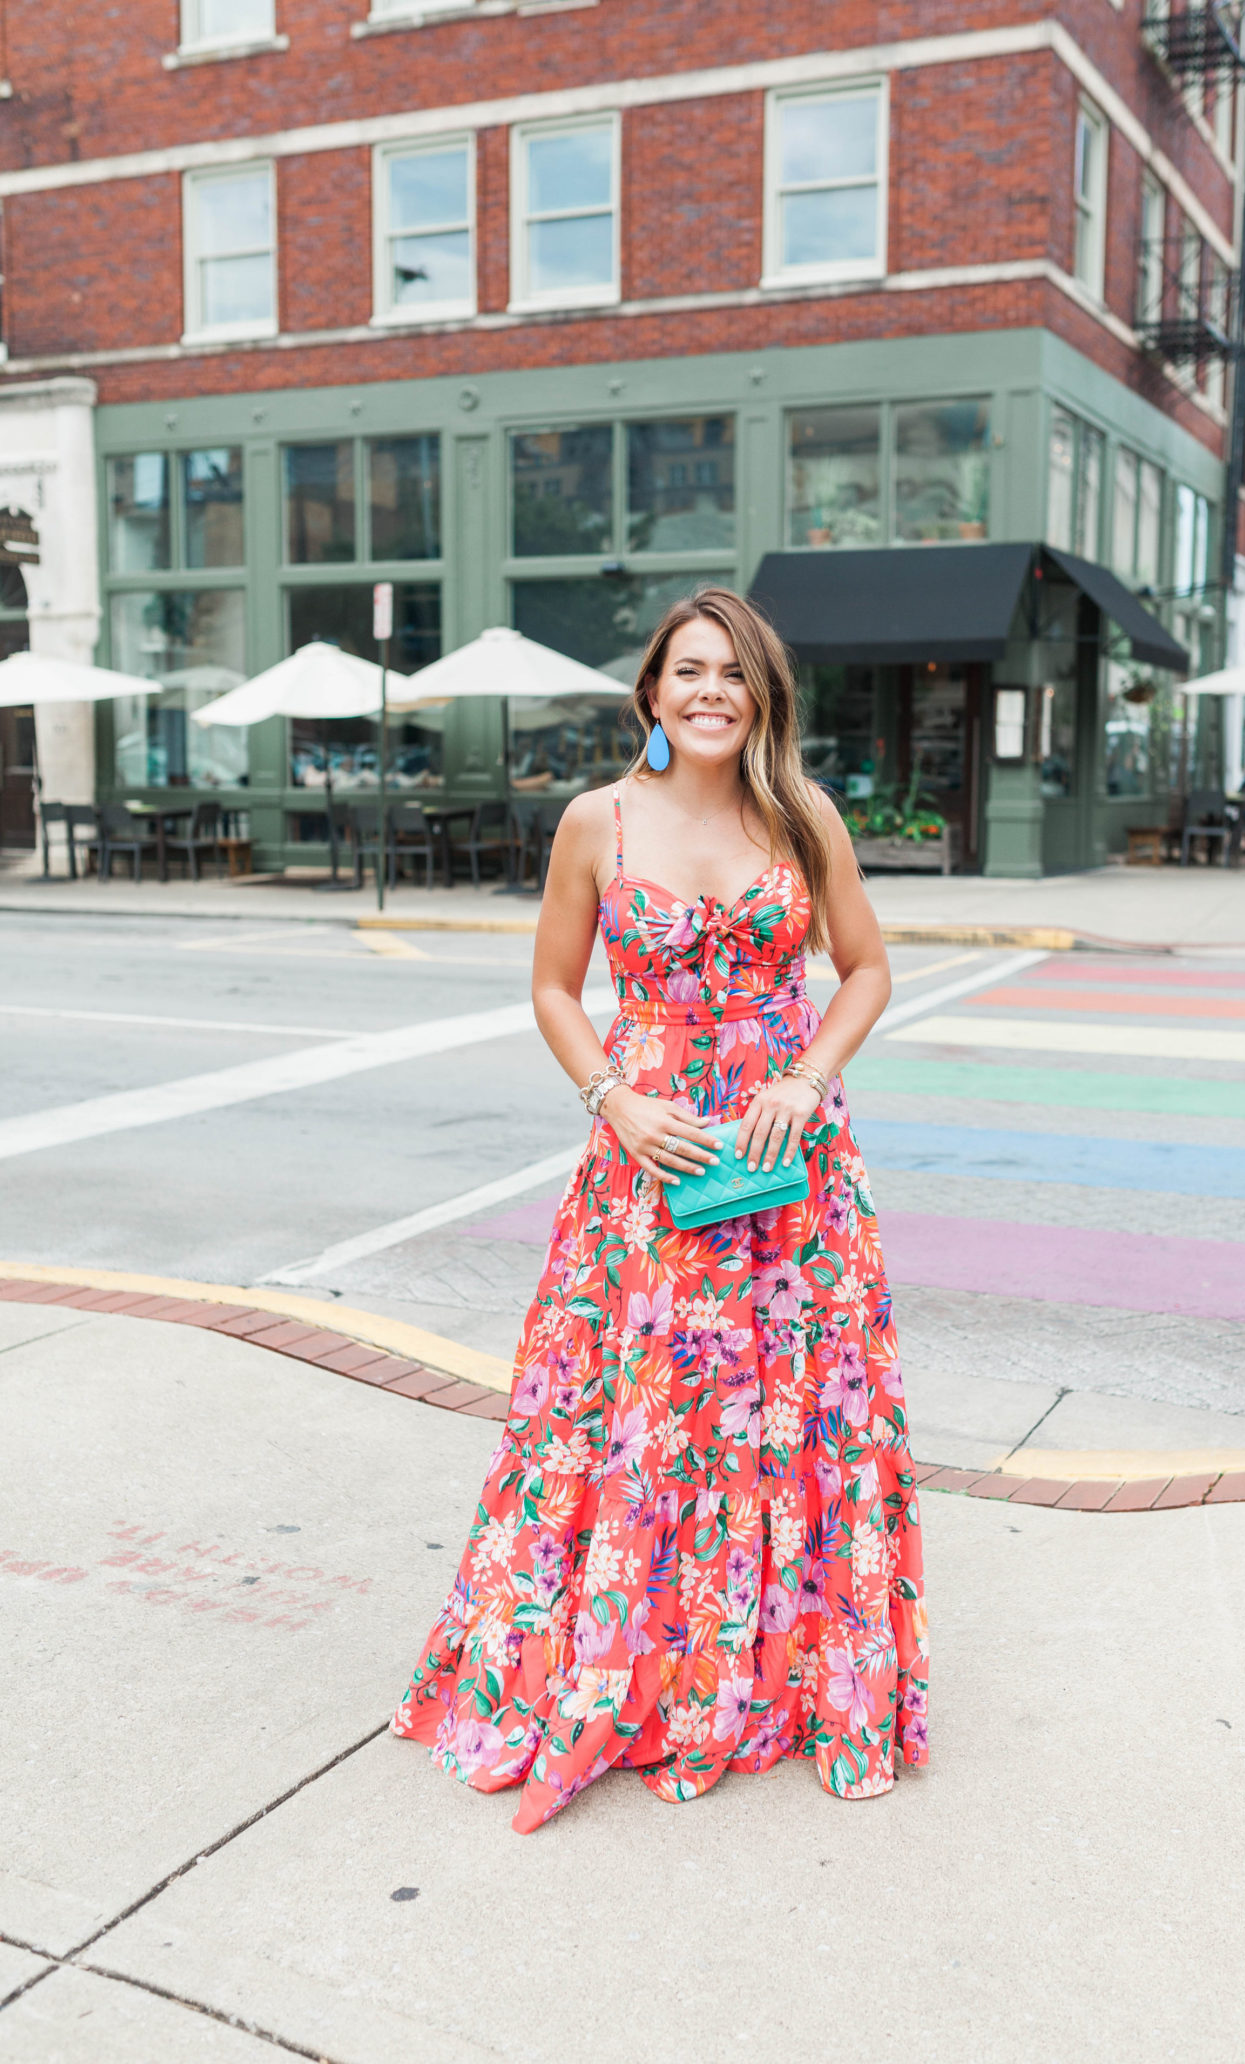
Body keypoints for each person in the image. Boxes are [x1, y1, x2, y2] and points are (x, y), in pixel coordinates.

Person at [392, 587, 929, 1833]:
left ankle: (783, 1684)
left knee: (800, 1423)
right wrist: (611, 1098)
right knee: (638, 1422)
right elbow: (552, 988)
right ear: (652, 692)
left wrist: (804, 1076)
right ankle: (637, 1679)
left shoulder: (803, 818)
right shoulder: (597, 821)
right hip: (650, 1175)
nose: (711, 693)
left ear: (762, 698)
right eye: (690, 671)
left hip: (792, 1179)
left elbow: (868, 969)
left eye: (734, 675)